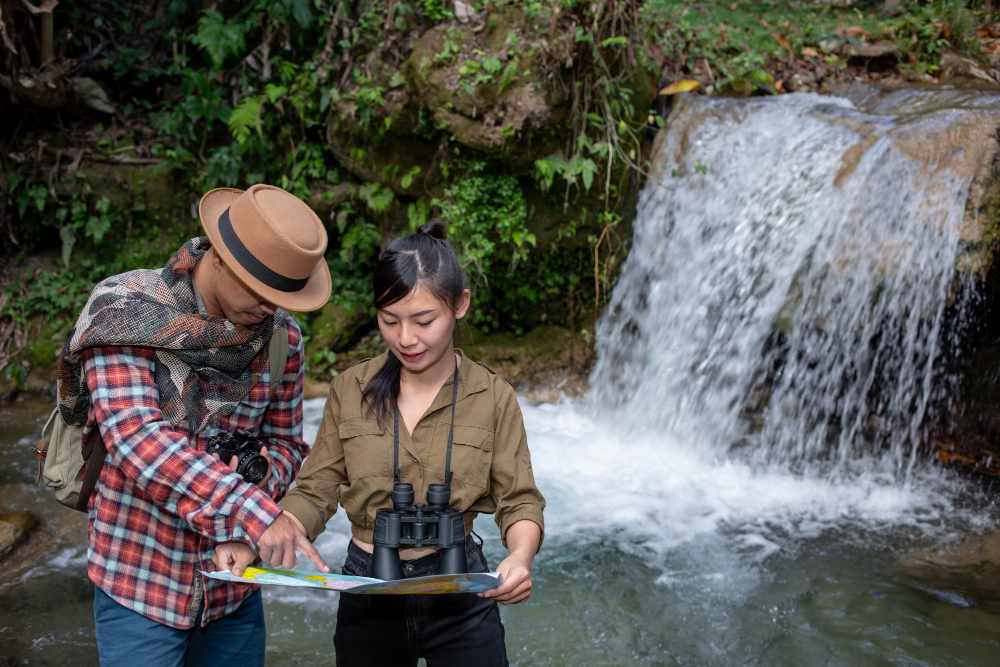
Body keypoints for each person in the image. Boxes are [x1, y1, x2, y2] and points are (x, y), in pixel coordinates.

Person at [214, 220, 545, 666]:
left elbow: (520, 500)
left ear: (460, 305)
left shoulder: (492, 396)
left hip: (460, 586)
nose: (406, 339)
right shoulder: (351, 388)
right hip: (367, 589)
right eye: (390, 321)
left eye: (424, 320)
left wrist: (520, 558)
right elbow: (315, 490)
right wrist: (258, 540)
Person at [58, 184, 333, 666]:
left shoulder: (282, 339)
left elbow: (288, 444)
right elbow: (138, 441)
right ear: (221, 258)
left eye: (280, 296)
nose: (269, 308)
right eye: (259, 291)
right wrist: (252, 511)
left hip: (236, 595)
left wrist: (253, 503)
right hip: (139, 589)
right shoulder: (124, 310)